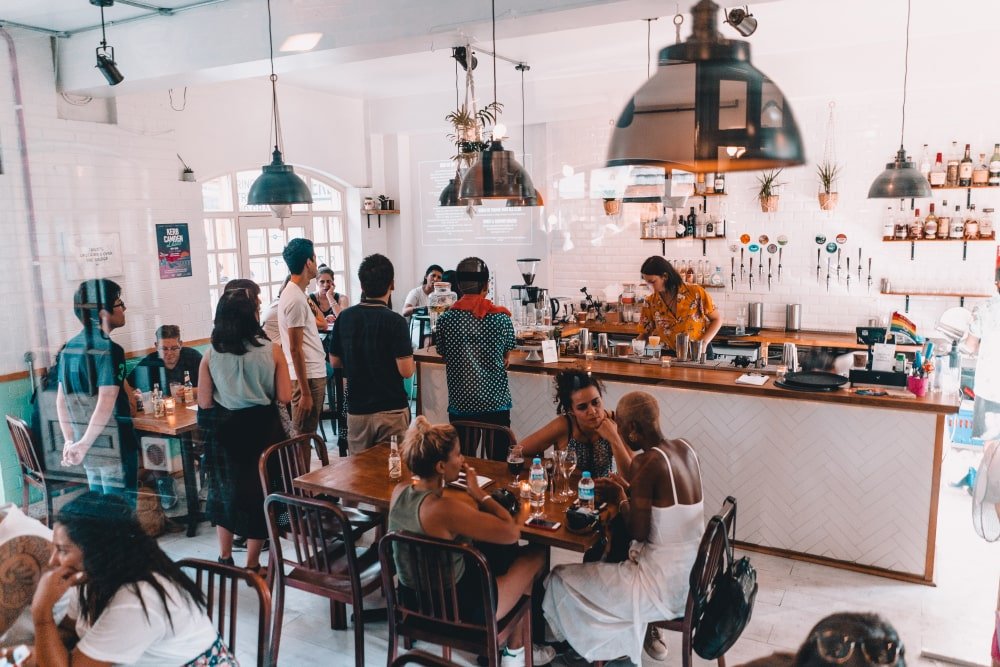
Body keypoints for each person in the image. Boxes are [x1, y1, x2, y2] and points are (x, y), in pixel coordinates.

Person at [542, 391, 704, 664]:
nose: (617, 430)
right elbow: (663, 508)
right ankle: (611, 645)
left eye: (621, 427)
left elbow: (637, 532)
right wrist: (628, 491)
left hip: (661, 590)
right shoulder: (686, 448)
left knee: (559, 578)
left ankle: (584, 648)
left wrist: (620, 497)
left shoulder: (647, 462)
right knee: (604, 564)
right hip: (693, 580)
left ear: (633, 430)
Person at [388, 417, 553, 667]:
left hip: (411, 605)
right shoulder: (445, 510)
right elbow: (511, 532)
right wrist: (479, 493)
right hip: (462, 612)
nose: (463, 459)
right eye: (458, 454)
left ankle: (512, 649)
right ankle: (515, 652)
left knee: (493, 553)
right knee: (535, 554)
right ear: (441, 466)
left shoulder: (399, 492)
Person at [29, 492, 235, 666]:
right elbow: (71, 629)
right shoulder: (92, 577)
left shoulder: (137, 597)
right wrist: (32, 650)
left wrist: (41, 612)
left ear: (97, 551)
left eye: (63, 550)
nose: (52, 561)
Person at [198, 287, 292, 573]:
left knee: (225, 493)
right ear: (252, 317)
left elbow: (204, 402)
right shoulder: (272, 351)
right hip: (263, 430)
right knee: (260, 494)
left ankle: (225, 557)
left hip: (227, 430)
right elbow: (285, 396)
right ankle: (252, 564)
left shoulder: (210, 355)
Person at [56, 279, 138, 499]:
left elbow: (61, 401)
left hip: (87, 448)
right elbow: (106, 401)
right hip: (113, 446)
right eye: (119, 303)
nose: (124, 309)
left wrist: (72, 441)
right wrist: (81, 444)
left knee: (102, 511)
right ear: (103, 313)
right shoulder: (110, 350)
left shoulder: (69, 348)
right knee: (121, 510)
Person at [329, 253, 414, 454]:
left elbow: (335, 362)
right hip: (391, 409)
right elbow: (406, 371)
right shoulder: (396, 321)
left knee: (360, 469)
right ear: (392, 284)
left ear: (362, 285)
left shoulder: (345, 317)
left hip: (358, 410)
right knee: (393, 468)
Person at [433, 257, 515, 458]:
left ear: (459, 286)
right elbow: (506, 354)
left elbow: (443, 353)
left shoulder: (445, 320)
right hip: (495, 404)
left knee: (462, 461)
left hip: (461, 406)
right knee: (498, 463)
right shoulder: (501, 318)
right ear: (486, 285)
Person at [519, 370, 634, 478]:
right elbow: (517, 454)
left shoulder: (616, 421)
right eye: (582, 407)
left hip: (609, 490)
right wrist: (554, 464)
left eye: (595, 402)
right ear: (571, 410)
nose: (592, 411)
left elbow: (632, 476)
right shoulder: (564, 425)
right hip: (569, 491)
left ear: (601, 398)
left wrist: (614, 438)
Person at [278, 238, 329, 437]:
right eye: (315, 258)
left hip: (311, 373)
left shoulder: (298, 294)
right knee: (303, 435)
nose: (317, 264)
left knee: (307, 433)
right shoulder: (295, 299)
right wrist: (305, 393)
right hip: (307, 376)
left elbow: (321, 322)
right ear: (308, 262)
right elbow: (295, 348)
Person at [639, 255, 722, 356]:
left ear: (665, 276)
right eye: (646, 282)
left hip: (698, 351)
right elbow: (645, 333)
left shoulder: (695, 292)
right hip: (669, 355)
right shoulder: (650, 302)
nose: (649, 286)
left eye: (652, 282)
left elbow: (717, 319)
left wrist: (703, 343)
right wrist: (634, 347)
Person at [967, 271, 1000, 440]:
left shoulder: (984, 308)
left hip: (990, 387)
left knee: (990, 444)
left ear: (997, 283)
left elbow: (970, 346)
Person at [126, 324, 203, 394]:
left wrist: (190, 391)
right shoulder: (150, 361)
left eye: (174, 348)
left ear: (180, 344)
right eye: (164, 349)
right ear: (156, 346)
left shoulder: (193, 357)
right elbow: (129, 386)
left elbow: (209, 386)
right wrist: (135, 393)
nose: (169, 353)